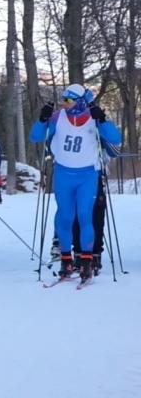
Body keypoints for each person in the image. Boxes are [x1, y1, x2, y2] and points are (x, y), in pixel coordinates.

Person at [29, 84, 121, 282]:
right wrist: (42, 119)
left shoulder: (93, 117)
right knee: (65, 216)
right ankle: (66, 260)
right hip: (63, 174)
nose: (65, 104)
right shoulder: (58, 117)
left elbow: (115, 138)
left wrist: (103, 119)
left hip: (87, 175)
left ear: (79, 101)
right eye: (63, 100)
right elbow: (35, 136)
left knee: (85, 215)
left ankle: (86, 261)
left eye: (69, 100)